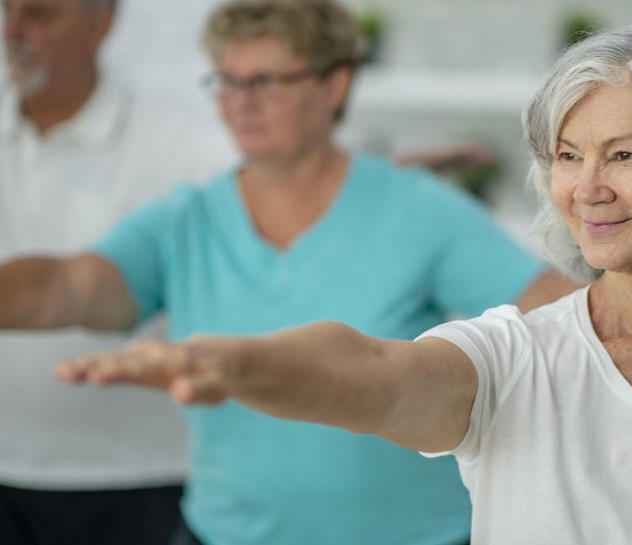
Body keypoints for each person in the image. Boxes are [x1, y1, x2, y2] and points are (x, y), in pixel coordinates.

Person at [53, 15, 632, 544]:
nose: (587, 187)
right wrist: (238, 364)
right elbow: (373, 373)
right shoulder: (513, 358)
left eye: (623, 152)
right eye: (568, 153)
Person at [0, 0, 576, 543]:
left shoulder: (418, 210)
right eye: (227, 80)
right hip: (223, 533)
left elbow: (554, 311)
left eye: (267, 81)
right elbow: (71, 284)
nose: (241, 100)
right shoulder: (186, 220)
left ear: (335, 84)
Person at [0, 0, 236, 543]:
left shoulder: (185, 142)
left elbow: (280, 203)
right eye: (7, 11)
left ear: (100, 24)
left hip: (141, 476)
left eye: (39, 14)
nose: (13, 31)